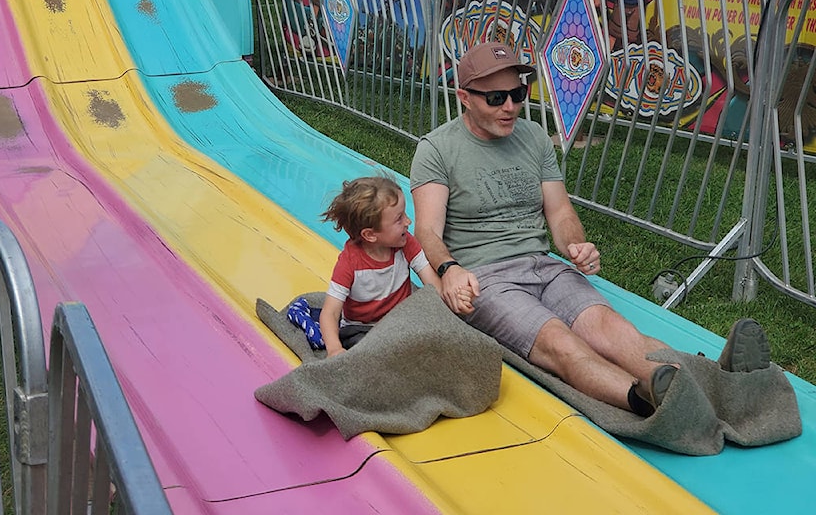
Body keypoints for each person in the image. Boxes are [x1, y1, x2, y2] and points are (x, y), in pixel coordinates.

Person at [410, 41, 770, 416]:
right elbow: (428, 233)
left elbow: (560, 211)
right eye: (497, 97)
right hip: (484, 277)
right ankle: (645, 399)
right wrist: (449, 271)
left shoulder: (532, 136)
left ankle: (714, 381)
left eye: (518, 93)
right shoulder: (437, 149)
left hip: (543, 265)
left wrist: (576, 245)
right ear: (464, 97)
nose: (510, 107)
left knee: (611, 329)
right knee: (559, 343)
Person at [318, 175, 463, 358]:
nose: (408, 222)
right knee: (369, 356)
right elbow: (330, 313)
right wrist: (334, 349)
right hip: (361, 331)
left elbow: (431, 282)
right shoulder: (349, 264)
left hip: (401, 321)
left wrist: (450, 299)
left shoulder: (406, 243)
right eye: (399, 219)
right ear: (370, 235)